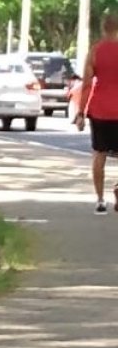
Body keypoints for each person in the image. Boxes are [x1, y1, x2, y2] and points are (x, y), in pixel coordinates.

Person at [74, 13, 118, 214]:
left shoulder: (95, 51)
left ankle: (100, 201)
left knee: (99, 154)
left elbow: (86, 85)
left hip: (100, 110)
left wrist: (81, 112)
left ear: (103, 28)